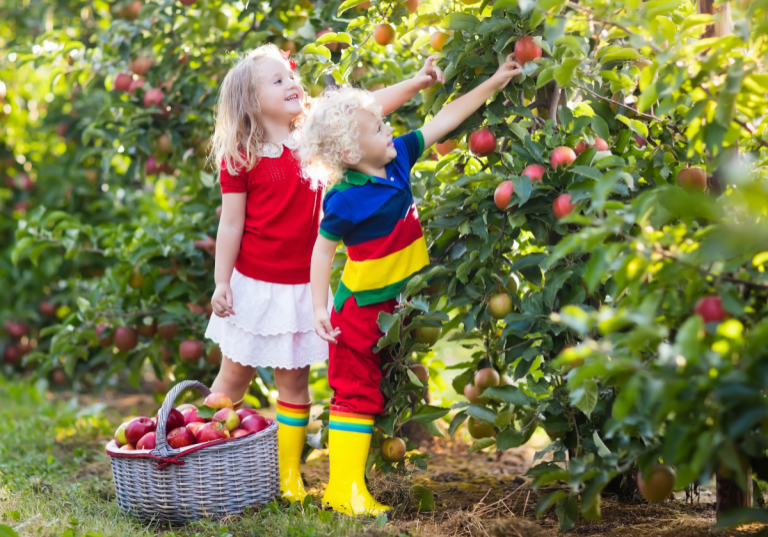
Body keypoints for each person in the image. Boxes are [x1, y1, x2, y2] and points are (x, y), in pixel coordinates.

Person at [204, 44, 445, 504]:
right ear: (251, 101)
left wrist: (417, 81)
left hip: (301, 286)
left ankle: (287, 476)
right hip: (254, 284)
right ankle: (202, 452)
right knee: (233, 375)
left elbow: (368, 109)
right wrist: (221, 282)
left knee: (294, 384)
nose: (292, 83)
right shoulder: (242, 155)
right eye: (276, 81)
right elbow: (230, 223)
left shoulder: (312, 131)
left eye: (290, 75)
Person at [299, 54, 523, 515]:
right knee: (355, 393)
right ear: (348, 153)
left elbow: (447, 117)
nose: (388, 129)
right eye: (377, 127)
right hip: (358, 310)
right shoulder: (343, 199)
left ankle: (350, 486)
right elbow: (322, 252)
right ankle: (344, 490)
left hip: (395, 308)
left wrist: (495, 82)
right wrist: (319, 308)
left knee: (373, 390)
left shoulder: (399, 157)